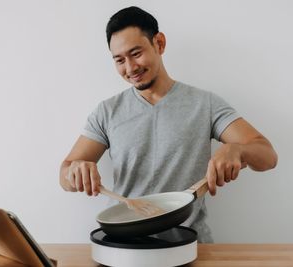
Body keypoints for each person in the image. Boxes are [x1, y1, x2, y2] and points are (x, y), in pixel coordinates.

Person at [59, 6, 278, 242]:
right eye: (119, 60)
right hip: (124, 247)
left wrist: (237, 149)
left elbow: (268, 157)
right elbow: (64, 176)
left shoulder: (205, 104)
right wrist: (75, 171)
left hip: (190, 244)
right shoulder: (107, 111)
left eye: (136, 53)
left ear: (159, 43)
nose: (130, 68)